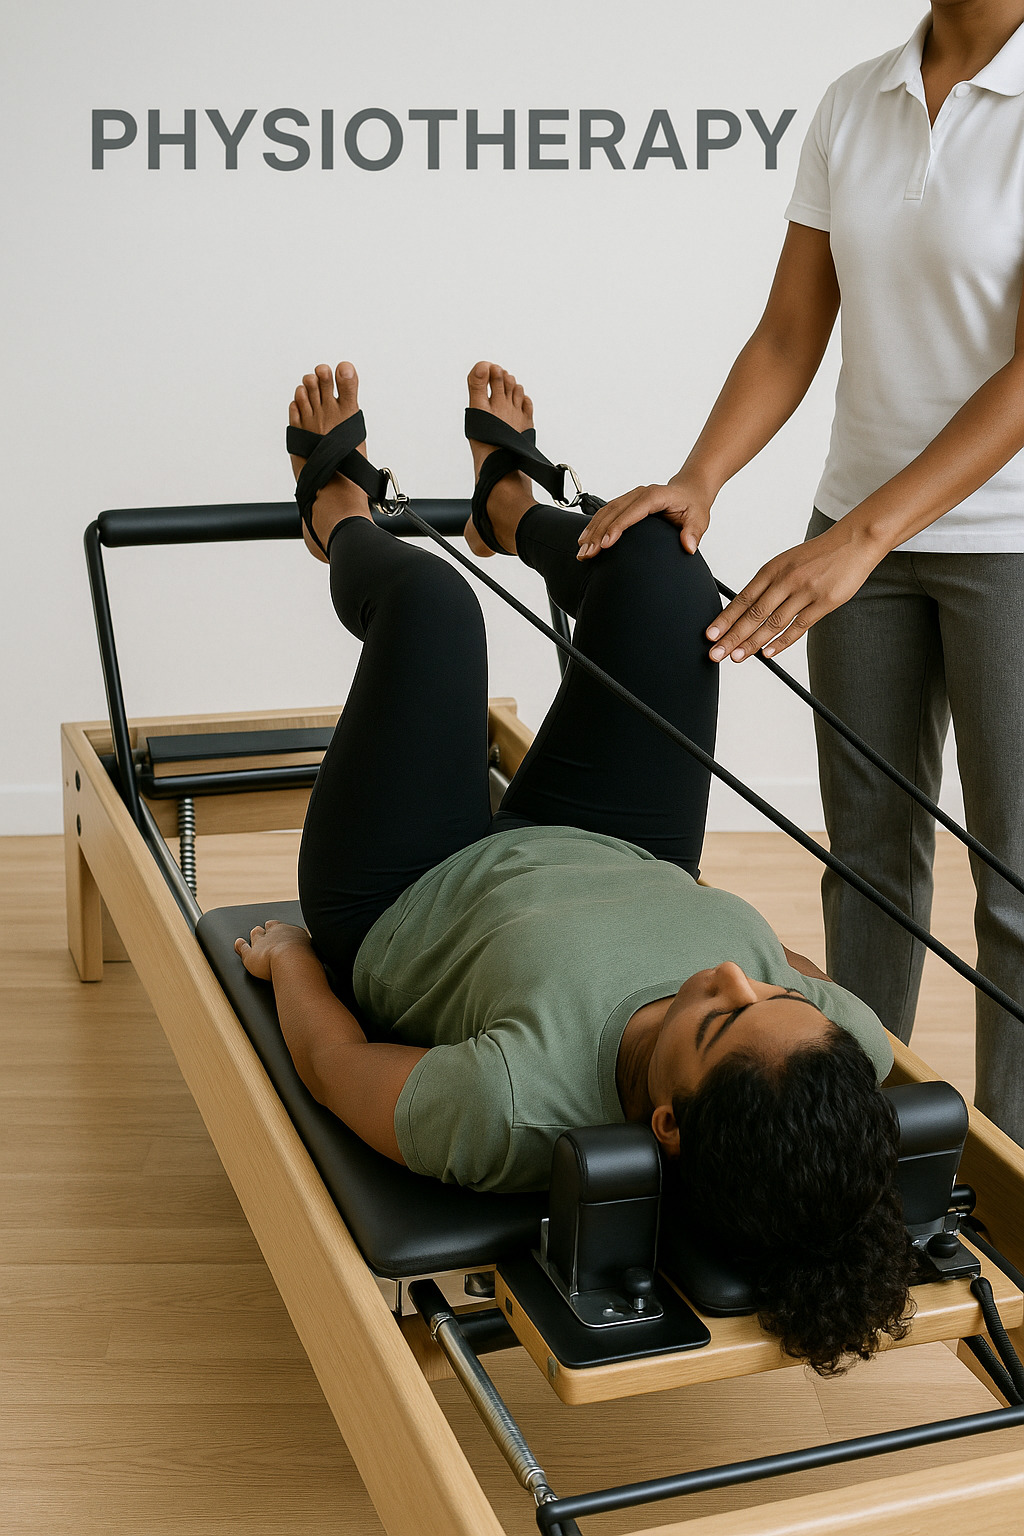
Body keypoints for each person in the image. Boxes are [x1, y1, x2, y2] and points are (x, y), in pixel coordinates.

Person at [235, 358, 913, 1376]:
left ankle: (337, 513)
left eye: (719, 1017)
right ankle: (505, 503)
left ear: (668, 1124)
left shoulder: (514, 1107)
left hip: (403, 888)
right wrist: (767, 989)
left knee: (433, 610)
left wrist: (291, 958)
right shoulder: (838, 1050)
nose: (734, 975)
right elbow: (789, 993)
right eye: (770, 990)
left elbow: (337, 1073)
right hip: (614, 842)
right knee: (664, 569)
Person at [575, 2, 1024, 1147]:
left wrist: (858, 538)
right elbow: (789, 330)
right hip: (858, 540)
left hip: (1003, 543)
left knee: (1016, 887)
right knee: (867, 860)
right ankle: (853, 1139)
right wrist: (701, 476)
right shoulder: (855, 100)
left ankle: (1015, 1188)